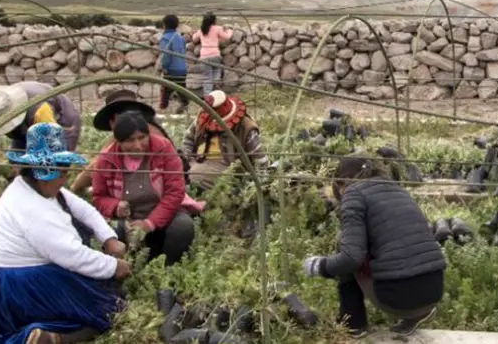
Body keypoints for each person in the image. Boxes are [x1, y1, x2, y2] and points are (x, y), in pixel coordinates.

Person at [0, 123, 131, 344]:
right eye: (62, 174)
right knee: (109, 310)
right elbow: (72, 255)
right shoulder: (32, 209)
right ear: (44, 173)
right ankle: (53, 337)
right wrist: (114, 266)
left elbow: (82, 209)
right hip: (24, 285)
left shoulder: (36, 187)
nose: (65, 180)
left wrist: (108, 237)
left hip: (11, 282)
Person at [302, 157, 445, 339]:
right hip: (434, 289)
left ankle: (354, 324)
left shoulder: (353, 193)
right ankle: (419, 313)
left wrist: (320, 266)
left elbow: (351, 258)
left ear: (341, 184)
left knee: (345, 244)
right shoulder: (398, 189)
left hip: (397, 297)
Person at [91, 112, 196, 266]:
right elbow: (98, 197)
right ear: (118, 142)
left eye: (142, 138)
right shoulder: (106, 159)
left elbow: (175, 192)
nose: (138, 145)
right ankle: (124, 269)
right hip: (127, 222)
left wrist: (149, 223)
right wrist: (115, 206)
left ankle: (168, 270)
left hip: (163, 214)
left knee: (182, 226)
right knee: (112, 231)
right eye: (130, 140)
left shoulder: (163, 148)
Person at [0, 82, 82, 176]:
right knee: (16, 165)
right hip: (25, 125)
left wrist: (33, 167)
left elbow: (52, 146)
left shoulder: (40, 110)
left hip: (62, 120)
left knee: (52, 169)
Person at [180, 90, 267, 191]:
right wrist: (186, 159)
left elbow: (259, 158)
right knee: (173, 169)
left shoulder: (245, 127)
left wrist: (260, 185)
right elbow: (188, 139)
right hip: (198, 160)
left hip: (227, 167)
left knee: (193, 177)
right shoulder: (203, 118)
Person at [191, 11, 233, 96]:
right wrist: (230, 30)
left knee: (207, 78)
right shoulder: (217, 28)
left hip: (204, 56)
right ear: (214, 20)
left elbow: (194, 39)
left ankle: (208, 99)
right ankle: (217, 96)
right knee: (216, 76)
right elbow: (227, 37)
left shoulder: (201, 29)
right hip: (215, 55)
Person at [157, 14, 189, 113]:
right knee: (182, 90)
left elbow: (165, 55)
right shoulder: (180, 38)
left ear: (164, 25)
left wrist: (164, 67)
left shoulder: (165, 38)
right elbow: (183, 52)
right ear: (176, 26)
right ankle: (184, 106)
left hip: (171, 70)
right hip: (182, 69)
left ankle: (162, 110)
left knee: (165, 92)